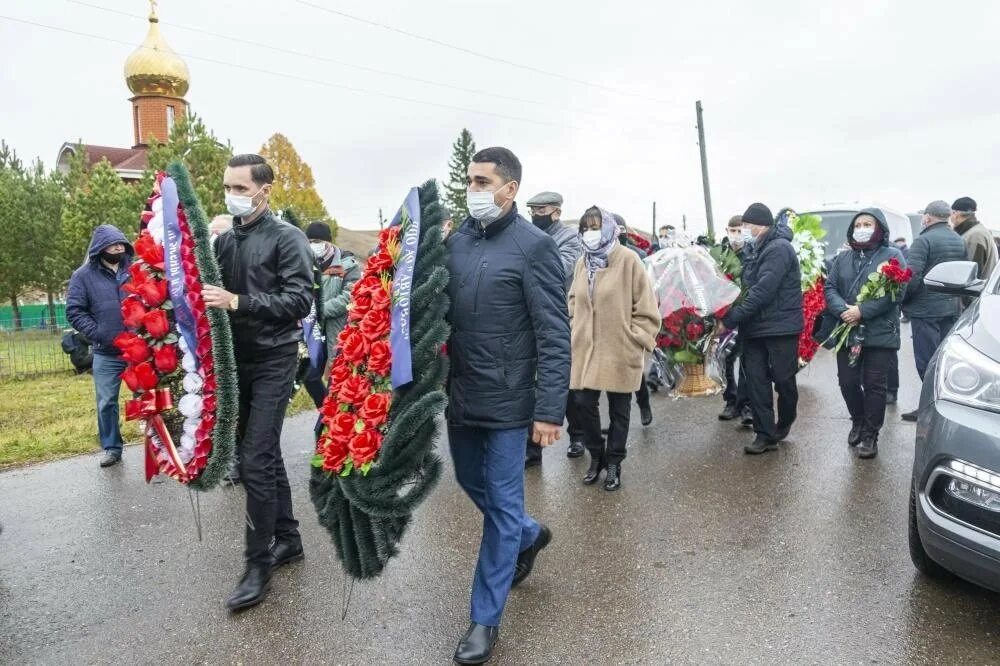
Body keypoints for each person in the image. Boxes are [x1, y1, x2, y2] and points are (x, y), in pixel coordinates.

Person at [445, 147, 569, 665]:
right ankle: (530, 533)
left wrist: (548, 410)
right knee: (471, 484)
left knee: (498, 503)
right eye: (469, 181)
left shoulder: (534, 247)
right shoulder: (455, 242)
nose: (472, 190)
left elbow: (554, 334)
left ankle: (484, 618)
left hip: (510, 400)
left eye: (481, 181)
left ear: (510, 189)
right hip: (462, 393)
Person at [204, 154, 314, 612]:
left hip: (274, 356)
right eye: (228, 187)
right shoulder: (226, 241)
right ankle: (287, 538)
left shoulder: (288, 238)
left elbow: (299, 300)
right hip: (237, 361)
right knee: (261, 453)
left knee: (254, 459)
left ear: (265, 191)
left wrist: (238, 302)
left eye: (241, 188)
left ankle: (257, 565)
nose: (233, 195)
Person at [568, 206, 660, 491]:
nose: (590, 234)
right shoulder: (583, 262)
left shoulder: (629, 259)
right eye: (585, 229)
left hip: (620, 346)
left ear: (608, 228)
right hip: (587, 349)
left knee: (620, 409)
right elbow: (573, 298)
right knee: (583, 403)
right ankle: (597, 455)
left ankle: (615, 463)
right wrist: (576, 325)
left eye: (595, 227)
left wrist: (636, 337)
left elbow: (646, 306)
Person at [721, 203, 803, 454]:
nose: (744, 230)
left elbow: (763, 291)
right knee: (756, 381)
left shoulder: (779, 249)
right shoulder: (753, 249)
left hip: (780, 328)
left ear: (762, 225)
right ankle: (765, 434)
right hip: (754, 329)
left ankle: (785, 421)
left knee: (783, 380)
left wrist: (732, 317)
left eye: (747, 226)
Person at [824, 209, 906, 459]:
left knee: (874, 386)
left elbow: (898, 292)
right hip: (848, 329)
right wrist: (844, 311)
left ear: (878, 228)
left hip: (879, 333)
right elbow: (830, 287)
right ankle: (858, 420)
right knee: (847, 381)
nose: (862, 228)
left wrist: (862, 311)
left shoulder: (892, 255)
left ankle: (871, 434)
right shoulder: (843, 258)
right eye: (858, 224)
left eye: (867, 223)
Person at [66, 225, 134, 468]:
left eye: (122, 243)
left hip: (139, 351)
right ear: (98, 248)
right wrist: (99, 334)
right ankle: (112, 447)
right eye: (112, 243)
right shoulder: (82, 276)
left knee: (148, 399)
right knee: (106, 402)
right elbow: (74, 311)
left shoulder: (135, 270)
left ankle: (158, 446)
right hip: (107, 352)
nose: (119, 247)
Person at [524, 190, 584, 465]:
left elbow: (557, 268)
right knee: (531, 383)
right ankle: (531, 449)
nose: (536, 216)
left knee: (563, 382)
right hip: (528, 317)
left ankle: (578, 435)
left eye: (541, 210)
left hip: (560, 316)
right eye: (532, 211)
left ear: (556, 212)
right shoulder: (528, 235)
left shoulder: (569, 238)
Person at [900, 200, 967, 421]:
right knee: (942, 362)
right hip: (950, 309)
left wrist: (903, 301)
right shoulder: (958, 240)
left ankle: (930, 411)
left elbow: (911, 277)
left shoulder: (923, 241)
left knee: (926, 364)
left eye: (924, 216)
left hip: (925, 310)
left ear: (928, 217)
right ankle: (943, 407)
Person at [718, 215, 751, 423]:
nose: (736, 235)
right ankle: (731, 400)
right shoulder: (718, 254)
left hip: (747, 315)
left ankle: (746, 405)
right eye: (733, 230)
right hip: (725, 316)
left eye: (740, 231)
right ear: (726, 230)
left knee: (748, 362)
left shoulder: (753, 253)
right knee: (725, 359)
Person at [950, 197, 998, 279]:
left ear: (956, 214)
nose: (950, 218)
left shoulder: (975, 236)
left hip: (975, 291)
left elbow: (970, 275)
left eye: (950, 214)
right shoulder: (977, 231)